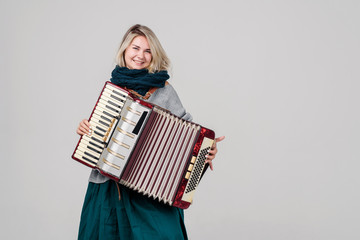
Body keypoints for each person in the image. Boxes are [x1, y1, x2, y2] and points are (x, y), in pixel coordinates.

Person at [76, 24, 225, 240]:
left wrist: (207, 150)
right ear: (125, 50)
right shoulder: (113, 89)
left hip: (150, 192)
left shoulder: (164, 90)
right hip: (108, 189)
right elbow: (99, 138)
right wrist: (86, 129)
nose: (140, 56)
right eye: (135, 48)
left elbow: (192, 135)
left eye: (147, 51)